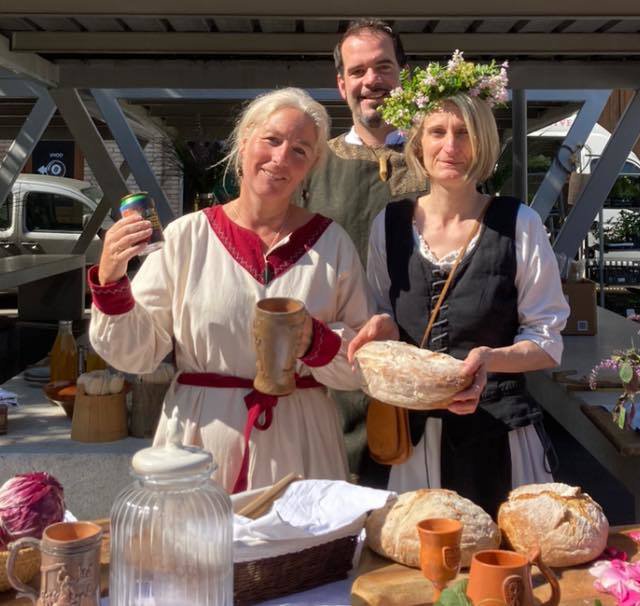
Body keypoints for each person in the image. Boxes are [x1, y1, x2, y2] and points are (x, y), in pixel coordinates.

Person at [88, 88, 373, 494]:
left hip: (302, 443)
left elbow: (362, 362)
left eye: (300, 150)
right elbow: (135, 353)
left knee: (297, 554)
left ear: (311, 166)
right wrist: (112, 280)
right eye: (272, 140)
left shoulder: (333, 243)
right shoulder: (188, 236)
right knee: (197, 551)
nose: (280, 159)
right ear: (243, 144)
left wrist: (315, 342)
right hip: (199, 444)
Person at [349, 52, 570, 515]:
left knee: (498, 572)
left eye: (464, 133)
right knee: (409, 572)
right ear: (418, 142)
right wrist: (383, 329)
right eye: (438, 131)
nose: (451, 146)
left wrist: (491, 358)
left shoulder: (519, 224)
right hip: (407, 443)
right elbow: (382, 313)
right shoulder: (387, 225)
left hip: (498, 438)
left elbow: (547, 341)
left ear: (484, 142)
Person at [300, 18, 427, 484]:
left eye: (383, 67)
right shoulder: (312, 165)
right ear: (341, 84)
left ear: (404, 74)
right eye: (357, 71)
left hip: (426, 371)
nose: (371, 81)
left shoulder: (440, 155)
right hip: (336, 371)